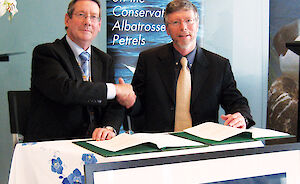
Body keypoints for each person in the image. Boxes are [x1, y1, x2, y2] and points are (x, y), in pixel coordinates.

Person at [126, 0, 255, 133]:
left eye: (189, 20)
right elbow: (137, 106)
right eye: (176, 22)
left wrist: (241, 116)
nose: (183, 27)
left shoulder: (218, 65)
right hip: (159, 143)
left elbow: (236, 101)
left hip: (202, 144)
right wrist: (129, 101)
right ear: (167, 29)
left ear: (197, 24)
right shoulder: (149, 60)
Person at [25, 0, 136, 142]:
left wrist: (108, 128)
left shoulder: (104, 59)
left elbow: (113, 104)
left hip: (94, 144)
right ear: (67, 19)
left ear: (99, 25)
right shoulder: (46, 53)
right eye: (81, 14)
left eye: (94, 17)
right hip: (54, 145)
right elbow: (66, 90)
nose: (88, 22)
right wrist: (116, 89)